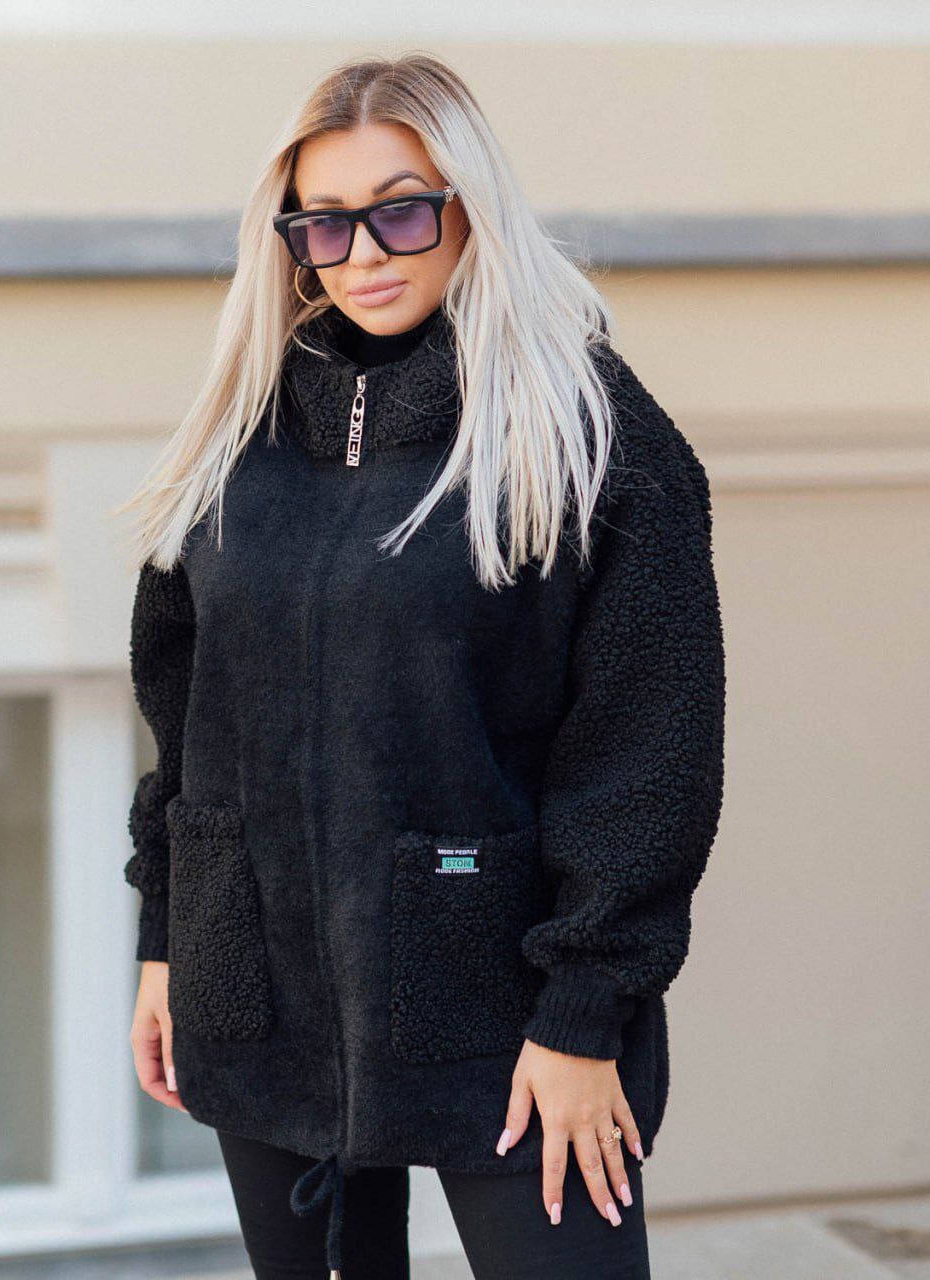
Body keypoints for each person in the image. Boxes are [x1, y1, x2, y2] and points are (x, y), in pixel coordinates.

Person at [119, 51, 725, 1280]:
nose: (363, 255)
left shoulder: (588, 432)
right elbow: (184, 717)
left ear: (470, 206)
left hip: (502, 1002)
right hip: (257, 980)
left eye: (401, 211)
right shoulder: (238, 433)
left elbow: (646, 752)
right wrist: (167, 936)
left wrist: (584, 1012)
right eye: (323, 225)